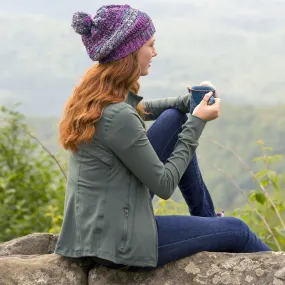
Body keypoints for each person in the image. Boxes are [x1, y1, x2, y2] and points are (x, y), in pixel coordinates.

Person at [54, 4, 272, 269]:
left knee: (173, 119)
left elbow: (141, 110)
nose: (155, 52)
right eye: (150, 45)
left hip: (99, 227)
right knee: (237, 230)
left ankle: (206, 219)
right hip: (119, 244)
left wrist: (185, 103)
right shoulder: (117, 117)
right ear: (130, 52)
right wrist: (197, 122)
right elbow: (165, 184)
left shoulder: (95, 95)